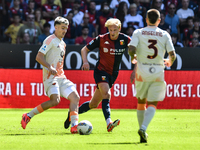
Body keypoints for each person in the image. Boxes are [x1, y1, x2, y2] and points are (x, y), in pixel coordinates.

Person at [64, 18, 131, 132]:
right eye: (110, 30)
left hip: (113, 74)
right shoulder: (101, 39)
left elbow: (135, 49)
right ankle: (109, 122)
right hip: (101, 71)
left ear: (119, 29)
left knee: (93, 104)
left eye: (115, 30)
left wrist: (135, 57)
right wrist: (85, 62)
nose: (113, 33)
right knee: (106, 93)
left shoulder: (125, 40)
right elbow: (84, 49)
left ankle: (72, 113)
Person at [21, 16, 80, 134]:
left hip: (61, 77)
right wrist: (49, 66)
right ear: (56, 27)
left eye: (66, 29)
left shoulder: (63, 43)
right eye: (62, 28)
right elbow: (39, 56)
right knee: (55, 100)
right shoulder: (50, 40)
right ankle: (27, 115)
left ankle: (74, 127)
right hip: (50, 77)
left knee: (75, 97)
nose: (64, 31)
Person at [128, 9, 176, 143]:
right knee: (153, 102)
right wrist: (169, 61)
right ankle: (143, 128)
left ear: (146, 19)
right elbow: (173, 55)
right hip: (157, 71)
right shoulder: (164, 34)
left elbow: (131, 49)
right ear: (159, 20)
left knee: (141, 101)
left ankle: (141, 129)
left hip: (142, 70)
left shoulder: (138, 32)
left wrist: (134, 57)